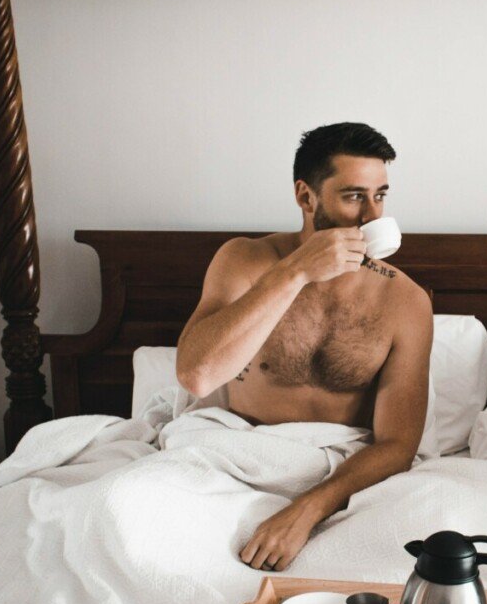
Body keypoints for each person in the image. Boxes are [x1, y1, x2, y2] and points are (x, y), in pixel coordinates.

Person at [176, 122, 433, 572]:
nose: (373, 216)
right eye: (354, 196)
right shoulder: (244, 261)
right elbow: (196, 375)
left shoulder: (406, 301)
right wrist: (295, 272)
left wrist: (307, 511)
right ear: (305, 197)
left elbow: (397, 444)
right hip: (236, 465)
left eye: (381, 195)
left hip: (342, 480)